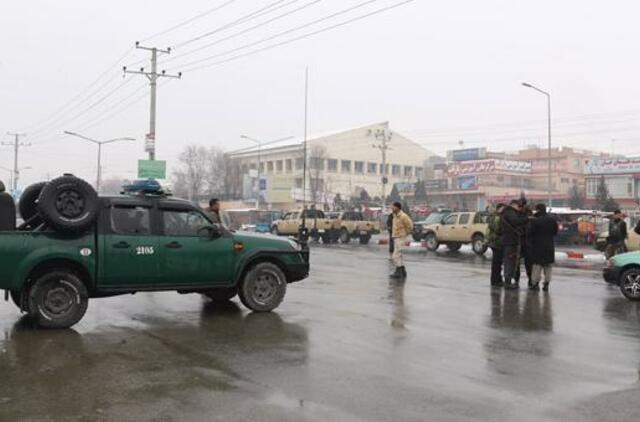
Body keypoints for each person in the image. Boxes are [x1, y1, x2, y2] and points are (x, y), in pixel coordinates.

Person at [528, 203, 559, 292]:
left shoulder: (535, 221)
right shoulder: (552, 220)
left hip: (537, 246)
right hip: (549, 246)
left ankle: (535, 283)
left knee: (537, 266)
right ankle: (546, 283)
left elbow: (531, 233)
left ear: (538, 210)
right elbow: (555, 232)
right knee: (548, 266)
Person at [501, 199, 528, 289]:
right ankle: (508, 282)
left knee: (510, 261)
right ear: (513, 205)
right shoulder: (510, 212)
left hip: (509, 240)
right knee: (510, 262)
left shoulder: (507, 212)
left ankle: (508, 281)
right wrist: (526, 218)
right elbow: (515, 221)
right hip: (510, 241)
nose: (518, 208)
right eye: (518, 205)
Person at [389, 201, 413, 279]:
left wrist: (406, 233)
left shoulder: (403, 216)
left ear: (397, 207)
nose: (391, 208)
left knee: (395, 255)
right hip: (396, 237)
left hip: (401, 237)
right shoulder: (395, 216)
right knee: (399, 255)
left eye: (393, 206)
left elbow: (410, 225)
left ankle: (399, 271)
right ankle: (401, 271)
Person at [486, 203, 506, 287]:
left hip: (496, 242)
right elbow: (497, 230)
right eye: (503, 209)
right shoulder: (497, 218)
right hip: (497, 242)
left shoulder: (495, 216)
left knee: (497, 263)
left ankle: (497, 279)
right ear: (499, 209)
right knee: (496, 263)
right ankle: (495, 280)